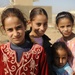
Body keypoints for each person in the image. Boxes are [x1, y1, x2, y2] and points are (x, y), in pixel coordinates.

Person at [0, 7, 49, 75]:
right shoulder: (2, 51)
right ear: (4, 30)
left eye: (18, 27)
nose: (16, 34)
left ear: (25, 25)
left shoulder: (38, 51)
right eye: (10, 30)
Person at [25, 7, 55, 75]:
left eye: (45, 24)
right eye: (38, 24)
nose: (42, 28)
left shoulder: (47, 43)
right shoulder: (23, 41)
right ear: (30, 23)